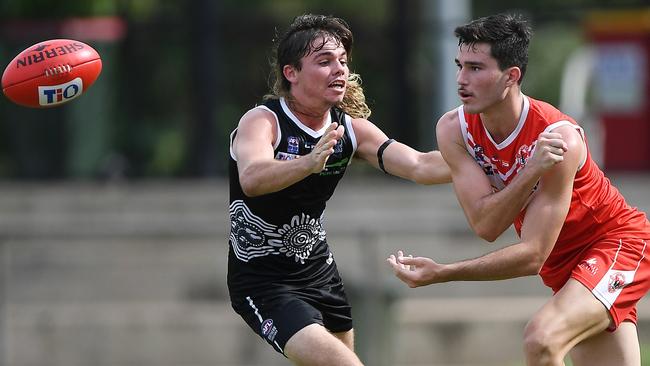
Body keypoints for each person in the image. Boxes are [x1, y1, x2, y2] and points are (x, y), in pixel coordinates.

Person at [387, 13, 650, 366]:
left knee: (540, 340)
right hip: (567, 268)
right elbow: (486, 225)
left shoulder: (558, 140)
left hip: (617, 244)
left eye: (477, 68)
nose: (462, 80)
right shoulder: (454, 129)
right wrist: (528, 172)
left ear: (511, 76)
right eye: (459, 65)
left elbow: (532, 255)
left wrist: (444, 272)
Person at [227, 14, 451, 366]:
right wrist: (307, 163)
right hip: (263, 281)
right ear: (291, 72)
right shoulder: (263, 121)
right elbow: (252, 179)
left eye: (343, 61)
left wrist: (489, 157)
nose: (340, 70)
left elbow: (420, 166)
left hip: (319, 272)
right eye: (325, 61)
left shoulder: (352, 129)